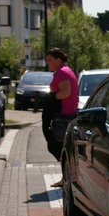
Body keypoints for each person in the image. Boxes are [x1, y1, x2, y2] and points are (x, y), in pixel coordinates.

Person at [43, 48, 78, 186]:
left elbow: (66, 92)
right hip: (66, 114)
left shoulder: (62, 72)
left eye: (49, 60)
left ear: (58, 59)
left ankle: (67, 177)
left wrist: (51, 97)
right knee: (61, 146)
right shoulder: (65, 70)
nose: (47, 63)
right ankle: (66, 177)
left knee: (57, 145)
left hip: (63, 115)